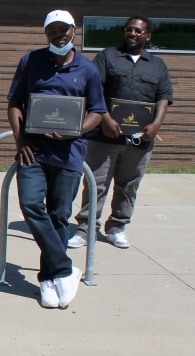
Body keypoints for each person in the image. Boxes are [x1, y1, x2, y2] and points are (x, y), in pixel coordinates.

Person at [6, 10, 107, 309]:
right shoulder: (30, 60)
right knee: (31, 206)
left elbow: (97, 111)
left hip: (69, 154)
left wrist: (75, 130)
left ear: (74, 31)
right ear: (46, 33)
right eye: (53, 30)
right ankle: (65, 268)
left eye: (64, 29)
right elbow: (15, 103)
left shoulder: (87, 69)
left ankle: (48, 278)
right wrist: (20, 138)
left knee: (60, 216)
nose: (58, 34)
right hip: (32, 151)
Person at [68, 15, 173, 250]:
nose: (132, 34)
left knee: (129, 185)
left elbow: (164, 98)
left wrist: (156, 125)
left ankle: (117, 227)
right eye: (129, 29)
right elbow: (93, 90)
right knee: (96, 183)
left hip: (139, 140)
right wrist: (105, 118)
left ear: (148, 36)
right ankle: (86, 229)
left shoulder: (158, 65)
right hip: (104, 136)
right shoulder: (107, 56)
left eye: (138, 31)